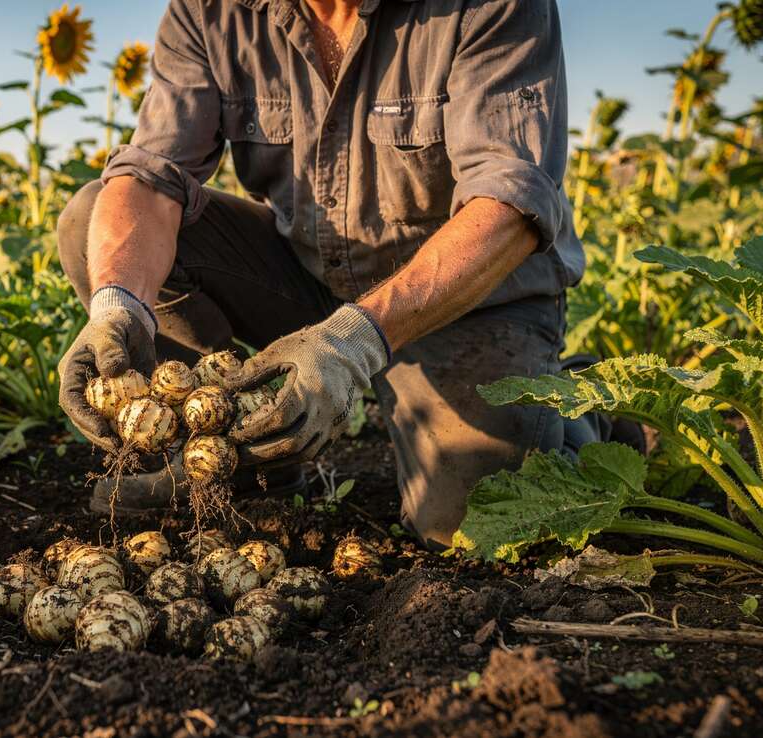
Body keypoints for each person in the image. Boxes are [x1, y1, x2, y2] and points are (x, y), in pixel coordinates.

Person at [57, 0, 611, 547]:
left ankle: (587, 411)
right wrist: (118, 307)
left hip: (469, 299)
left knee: (470, 524)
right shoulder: (212, 10)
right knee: (95, 221)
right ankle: (240, 454)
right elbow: (152, 180)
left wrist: (355, 340)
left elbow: (507, 205)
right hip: (311, 276)